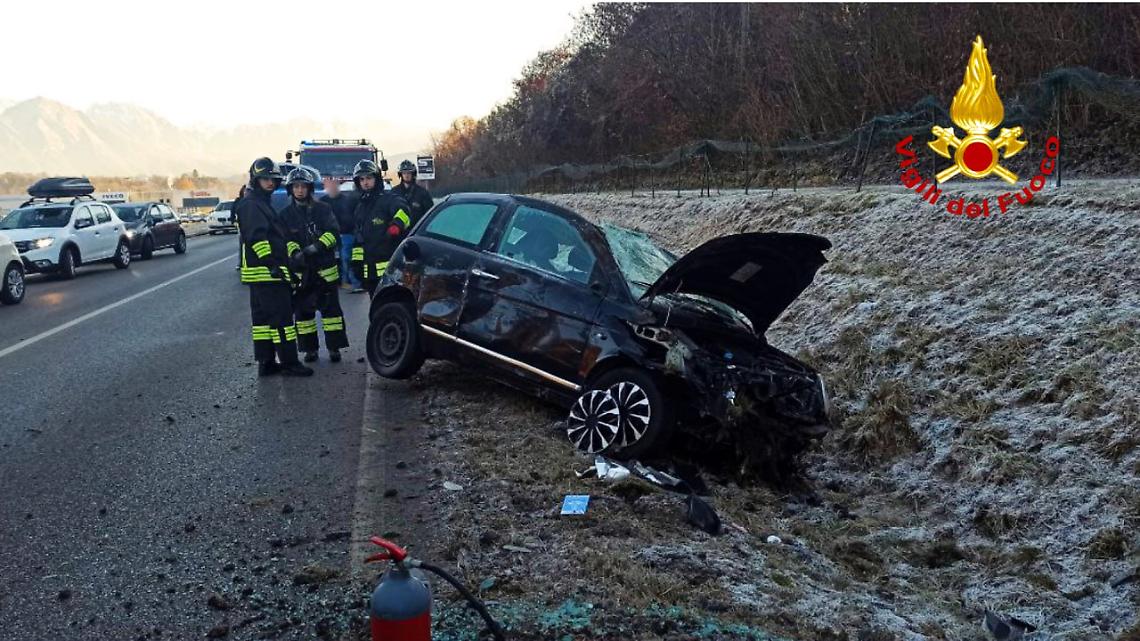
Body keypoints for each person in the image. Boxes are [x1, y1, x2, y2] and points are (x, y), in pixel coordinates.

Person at [236, 157, 313, 377]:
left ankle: (266, 362)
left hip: (260, 274)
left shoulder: (260, 203)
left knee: (262, 322)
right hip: (267, 273)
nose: (270, 183)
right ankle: (290, 363)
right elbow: (256, 238)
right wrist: (273, 265)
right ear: (256, 179)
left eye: (273, 179)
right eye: (265, 179)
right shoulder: (252, 204)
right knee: (282, 320)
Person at [280, 167, 348, 363]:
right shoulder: (285, 215)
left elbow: (333, 234)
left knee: (332, 313)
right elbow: (285, 239)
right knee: (304, 315)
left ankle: (334, 348)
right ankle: (310, 350)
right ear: (291, 189)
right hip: (302, 274)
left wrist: (315, 248)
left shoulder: (323, 209)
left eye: (303, 186)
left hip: (325, 269)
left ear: (310, 188)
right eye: (296, 186)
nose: (300, 190)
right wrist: (294, 252)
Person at [350, 160, 412, 296]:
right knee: (377, 311)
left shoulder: (388, 199)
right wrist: (356, 263)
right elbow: (359, 237)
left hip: (391, 271)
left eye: (369, 178)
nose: (365, 182)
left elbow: (404, 211)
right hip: (370, 273)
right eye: (362, 179)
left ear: (376, 179)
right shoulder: (360, 207)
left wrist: (396, 225)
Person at [319, 176, 361, 292]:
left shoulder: (347, 200)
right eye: (329, 184)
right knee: (334, 260)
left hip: (346, 235)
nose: (332, 186)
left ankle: (351, 282)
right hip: (328, 236)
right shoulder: (322, 202)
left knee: (347, 259)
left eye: (334, 184)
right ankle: (340, 282)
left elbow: (355, 216)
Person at [390, 159, 434, 227]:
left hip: (416, 230)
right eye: (404, 173)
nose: (406, 175)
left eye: (409, 173)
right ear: (400, 175)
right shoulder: (394, 192)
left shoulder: (422, 193)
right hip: (398, 231)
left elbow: (430, 214)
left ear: (413, 174)